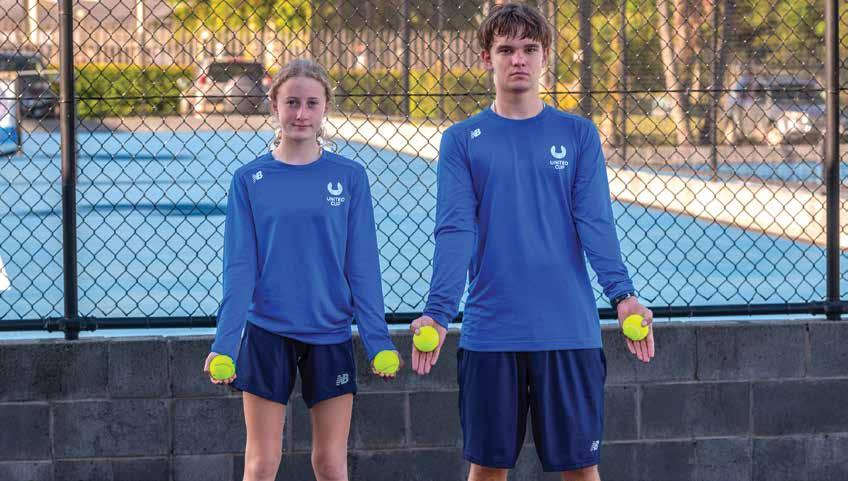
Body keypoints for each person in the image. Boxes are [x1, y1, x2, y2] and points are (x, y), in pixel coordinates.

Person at [409, 4, 656, 481]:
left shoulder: (578, 134)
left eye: (529, 48)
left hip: (568, 332)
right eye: (506, 49)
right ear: (487, 58)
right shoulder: (461, 140)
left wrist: (623, 296)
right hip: (491, 333)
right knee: (486, 470)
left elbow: (595, 222)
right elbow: (456, 229)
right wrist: (438, 313)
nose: (518, 59)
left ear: (545, 55)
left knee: (581, 472)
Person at [204, 58, 400, 481]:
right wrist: (225, 344)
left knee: (330, 464)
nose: (301, 113)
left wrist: (377, 340)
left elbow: (362, 266)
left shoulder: (350, 177)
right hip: (266, 334)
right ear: (274, 104)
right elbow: (240, 269)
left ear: (325, 106)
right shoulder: (249, 179)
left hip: (330, 335)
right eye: (292, 102)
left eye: (312, 103)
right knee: (261, 465)